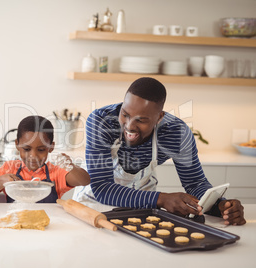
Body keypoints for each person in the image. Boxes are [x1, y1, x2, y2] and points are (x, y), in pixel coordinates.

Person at [73, 77, 246, 225]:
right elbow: (103, 189)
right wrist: (161, 199)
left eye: (141, 120)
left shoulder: (176, 133)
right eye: (125, 114)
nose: (129, 126)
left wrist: (220, 206)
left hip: (141, 212)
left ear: (159, 117)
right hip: (92, 208)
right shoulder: (101, 121)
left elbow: (195, 183)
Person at [0, 115, 91, 202]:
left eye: (41, 150)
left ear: (51, 147)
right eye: (27, 149)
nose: (33, 156)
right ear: (17, 144)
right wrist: (1, 180)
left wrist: (70, 167)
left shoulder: (55, 171)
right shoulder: (9, 168)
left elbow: (84, 181)